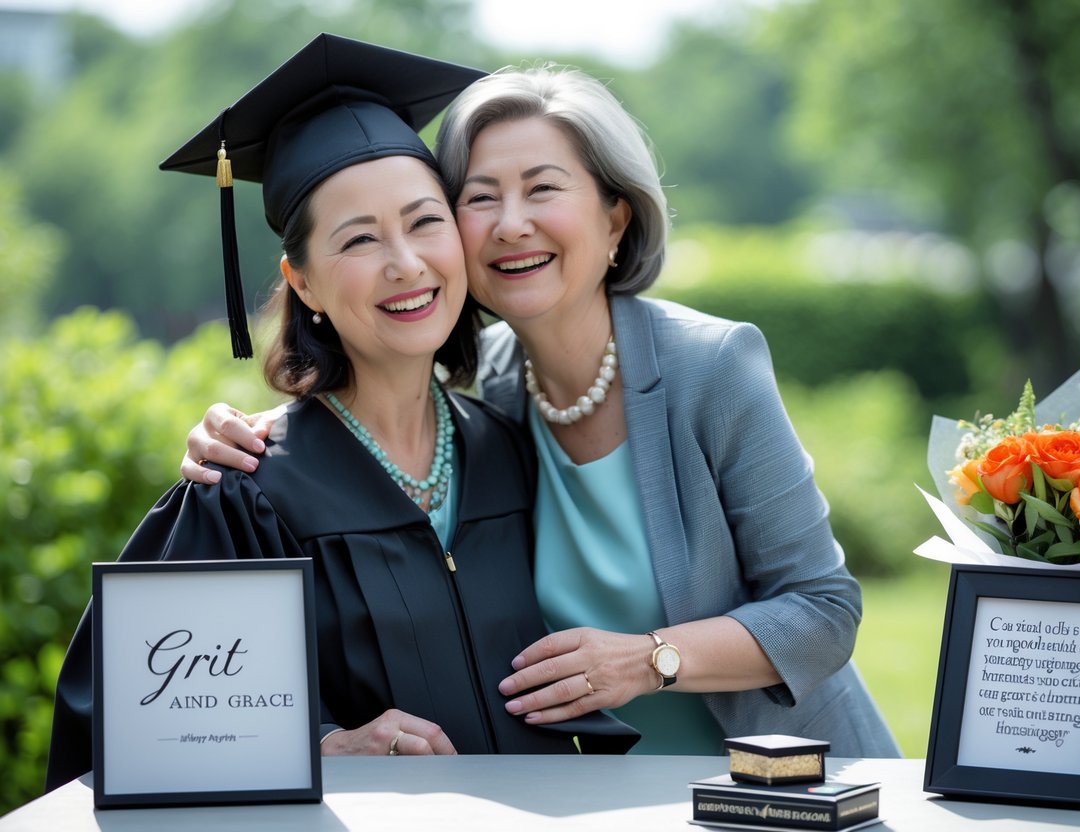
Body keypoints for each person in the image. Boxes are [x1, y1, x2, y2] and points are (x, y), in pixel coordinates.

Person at [182, 64, 901, 757]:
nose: (511, 223)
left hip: (776, 783)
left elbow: (823, 610)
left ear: (614, 218)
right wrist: (252, 444)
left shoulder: (708, 368)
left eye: (542, 188)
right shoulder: (494, 397)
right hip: (594, 802)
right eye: (481, 196)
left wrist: (649, 660)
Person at [45, 35, 636, 794]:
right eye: (359, 239)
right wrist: (319, 746)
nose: (406, 263)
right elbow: (131, 723)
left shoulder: (512, 447)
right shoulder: (244, 489)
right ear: (305, 283)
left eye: (425, 222)